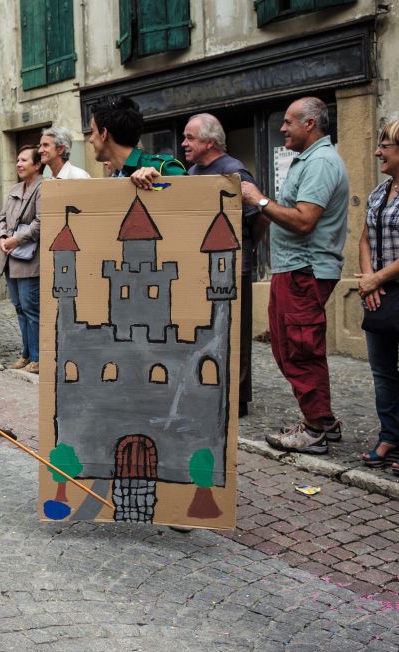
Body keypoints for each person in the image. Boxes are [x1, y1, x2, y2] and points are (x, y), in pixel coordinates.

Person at [240, 97, 349, 453]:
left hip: (305, 269)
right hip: (294, 269)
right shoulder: (310, 159)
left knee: (300, 349)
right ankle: (322, 420)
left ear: (310, 124)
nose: (282, 128)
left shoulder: (320, 162)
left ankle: (315, 430)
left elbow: (303, 220)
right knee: (290, 347)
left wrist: (258, 200)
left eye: (288, 122)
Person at [182, 113, 260, 417]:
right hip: (199, 268)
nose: (184, 143)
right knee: (205, 330)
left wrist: (247, 251)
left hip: (231, 268)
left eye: (190, 137)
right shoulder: (191, 172)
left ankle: (236, 399)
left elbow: (258, 219)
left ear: (210, 142)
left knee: (233, 333)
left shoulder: (234, 172)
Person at [356, 120, 399, 475]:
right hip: (381, 290)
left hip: (386, 284)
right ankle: (390, 437)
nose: (378, 151)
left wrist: (376, 279)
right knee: (382, 372)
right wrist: (370, 279)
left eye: (385, 145)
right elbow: (365, 239)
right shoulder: (379, 193)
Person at [0, 146, 43, 373]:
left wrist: (16, 240)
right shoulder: (14, 189)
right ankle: (25, 355)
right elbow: (1, 219)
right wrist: (2, 239)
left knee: (31, 309)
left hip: (30, 261)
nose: (19, 164)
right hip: (10, 260)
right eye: (17, 160)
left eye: (24, 160)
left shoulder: (43, 188)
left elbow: (40, 223)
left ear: (37, 164)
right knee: (19, 309)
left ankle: (38, 358)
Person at [86, 95, 186, 187]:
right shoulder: (115, 177)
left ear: (104, 134)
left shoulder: (161, 167)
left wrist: (159, 183)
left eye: (92, 131)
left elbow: (196, 197)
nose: (91, 139)